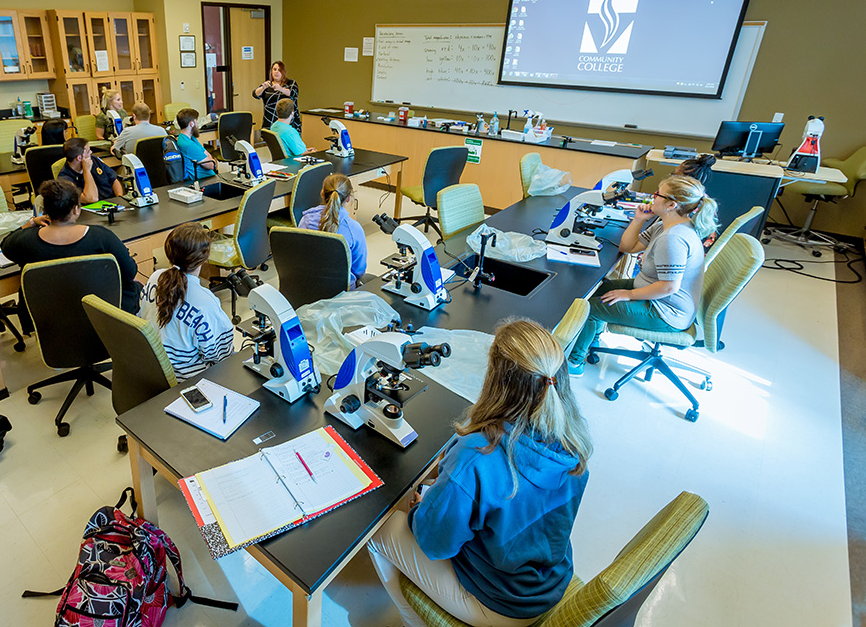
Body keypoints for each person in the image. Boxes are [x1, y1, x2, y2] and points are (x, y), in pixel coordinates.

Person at [368, 319, 592, 627]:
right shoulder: (574, 442)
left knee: (379, 529)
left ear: (496, 380)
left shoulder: (476, 454)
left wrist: (420, 509)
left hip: (502, 605)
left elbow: (435, 543)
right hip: (547, 582)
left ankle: (413, 621)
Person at [567, 174, 718, 376]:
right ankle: (592, 339)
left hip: (666, 312)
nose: (652, 197)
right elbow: (627, 247)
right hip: (655, 294)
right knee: (595, 290)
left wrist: (628, 295)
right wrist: (638, 219)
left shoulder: (673, 238)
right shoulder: (665, 225)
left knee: (590, 308)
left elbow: (669, 287)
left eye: (657, 194)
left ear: (671, 205)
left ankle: (575, 363)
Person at [0, 179, 140, 313]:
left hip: (49, 321)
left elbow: (5, 245)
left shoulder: (26, 240)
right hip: (101, 318)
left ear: (46, 210)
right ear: (75, 210)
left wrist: (31, 223)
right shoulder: (102, 237)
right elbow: (130, 272)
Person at [138, 223, 234, 380]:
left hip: (155, 370)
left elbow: (142, 312)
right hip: (188, 380)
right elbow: (221, 356)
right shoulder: (205, 302)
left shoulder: (155, 277)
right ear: (204, 258)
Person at [298, 173, 367, 287]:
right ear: (348, 198)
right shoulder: (354, 229)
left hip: (305, 287)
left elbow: (299, 255)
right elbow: (359, 270)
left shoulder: (306, 220)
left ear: (322, 193)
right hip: (341, 292)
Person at [57, 137, 124, 204]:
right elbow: (92, 198)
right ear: (79, 158)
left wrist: (119, 199)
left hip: (113, 203)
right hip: (92, 208)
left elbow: (113, 180)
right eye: (88, 151)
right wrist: (86, 171)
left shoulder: (93, 160)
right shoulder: (65, 180)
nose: (91, 152)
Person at [253, 60, 300, 133]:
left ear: (283, 72)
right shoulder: (268, 84)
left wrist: (280, 89)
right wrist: (263, 88)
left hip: (287, 123)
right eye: (274, 69)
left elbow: (293, 93)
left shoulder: (290, 83)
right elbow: (255, 94)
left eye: (279, 70)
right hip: (269, 122)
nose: (276, 72)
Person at [174, 107, 217, 182]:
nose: (197, 124)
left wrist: (208, 157)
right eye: (196, 121)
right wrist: (209, 158)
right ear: (192, 123)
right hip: (204, 181)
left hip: (208, 178)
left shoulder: (189, 138)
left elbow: (208, 155)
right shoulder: (187, 144)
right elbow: (211, 165)